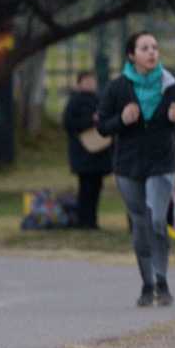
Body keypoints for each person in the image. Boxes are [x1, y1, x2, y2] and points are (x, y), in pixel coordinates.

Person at [97, 31, 175, 307]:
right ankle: (147, 284)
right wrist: (121, 119)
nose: (152, 52)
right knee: (140, 223)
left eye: (155, 47)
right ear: (132, 55)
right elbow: (102, 126)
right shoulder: (118, 87)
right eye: (145, 48)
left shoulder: (170, 82)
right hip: (128, 165)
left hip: (162, 162)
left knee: (155, 219)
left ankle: (162, 280)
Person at [63, 71, 113, 230]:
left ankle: (92, 221)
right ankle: (83, 220)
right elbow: (69, 123)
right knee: (85, 188)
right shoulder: (75, 101)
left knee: (97, 188)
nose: (91, 83)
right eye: (87, 80)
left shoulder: (100, 100)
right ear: (79, 83)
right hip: (83, 153)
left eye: (93, 80)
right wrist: (89, 121)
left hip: (100, 153)